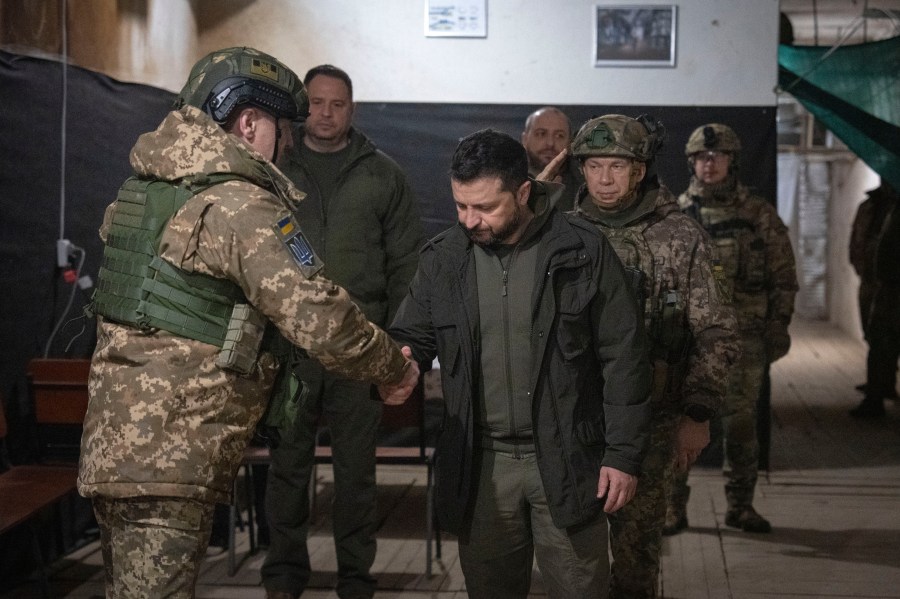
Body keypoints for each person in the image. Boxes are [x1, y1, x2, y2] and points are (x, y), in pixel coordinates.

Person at [76, 47, 419, 598]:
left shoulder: (146, 190)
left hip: (121, 447)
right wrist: (391, 368)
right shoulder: (237, 204)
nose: (285, 145)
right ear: (249, 121)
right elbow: (317, 315)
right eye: (282, 129)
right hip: (173, 454)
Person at [388, 128, 652, 599]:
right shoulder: (445, 259)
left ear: (524, 191)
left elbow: (624, 356)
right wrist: (400, 364)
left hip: (568, 460)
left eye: (485, 207)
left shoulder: (582, 251)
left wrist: (622, 455)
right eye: (460, 206)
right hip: (482, 466)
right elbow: (411, 335)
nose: (470, 220)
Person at [549, 114, 739, 598]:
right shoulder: (563, 233)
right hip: (576, 417)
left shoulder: (679, 236)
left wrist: (697, 412)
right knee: (573, 550)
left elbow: (716, 330)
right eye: (594, 166)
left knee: (636, 553)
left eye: (618, 165)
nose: (605, 179)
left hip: (653, 418)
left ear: (639, 171)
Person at [261, 64, 424, 599]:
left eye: (337, 104)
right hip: (290, 347)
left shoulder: (383, 174)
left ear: (353, 109)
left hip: (360, 346)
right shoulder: (273, 168)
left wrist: (397, 345)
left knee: (356, 475)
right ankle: (284, 576)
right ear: (302, 107)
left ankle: (356, 579)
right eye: (315, 102)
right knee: (287, 468)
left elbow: (405, 265)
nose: (325, 113)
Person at [666, 123, 798, 535]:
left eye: (718, 156)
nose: (709, 164)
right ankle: (673, 508)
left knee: (741, 425)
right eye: (702, 157)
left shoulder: (757, 216)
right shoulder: (676, 214)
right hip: (689, 342)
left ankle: (741, 507)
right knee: (679, 424)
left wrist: (778, 325)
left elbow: (783, 275)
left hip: (745, 338)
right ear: (691, 162)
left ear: (732, 161)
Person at [850, 185, 900, 418]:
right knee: (877, 338)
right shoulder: (874, 207)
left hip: (890, 285)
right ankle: (877, 392)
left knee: (881, 339)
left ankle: (877, 395)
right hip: (881, 283)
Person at [520, 106, 583, 206]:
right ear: (525, 139)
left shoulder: (585, 184)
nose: (550, 143)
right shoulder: (507, 180)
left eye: (559, 136)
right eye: (541, 134)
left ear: (570, 143)